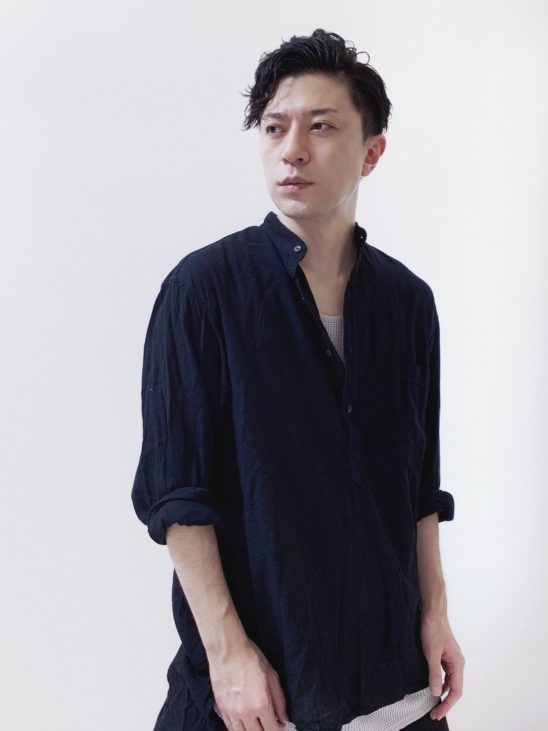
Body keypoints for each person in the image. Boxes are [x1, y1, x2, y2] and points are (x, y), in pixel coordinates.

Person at [131, 28, 465, 731]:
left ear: (372, 151)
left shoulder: (408, 303)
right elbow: (177, 496)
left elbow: (418, 485)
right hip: (256, 697)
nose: (292, 149)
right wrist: (228, 655)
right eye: (274, 127)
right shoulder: (203, 291)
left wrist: (436, 611)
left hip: (400, 690)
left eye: (321, 126)